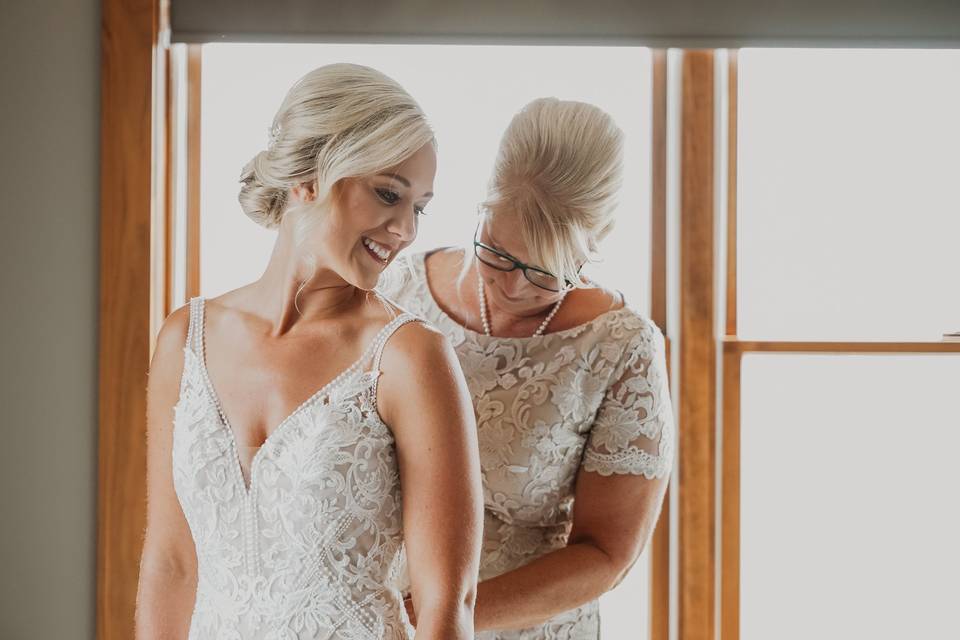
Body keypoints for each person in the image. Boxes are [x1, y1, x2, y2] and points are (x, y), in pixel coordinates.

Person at [135, 63, 483, 640]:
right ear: (309, 176)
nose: (404, 230)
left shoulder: (407, 358)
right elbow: (170, 564)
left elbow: (447, 601)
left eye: (418, 207)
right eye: (389, 194)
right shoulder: (185, 339)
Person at [387, 97, 674, 639]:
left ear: (596, 244)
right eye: (498, 252)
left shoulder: (622, 347)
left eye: (549, 272)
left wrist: (437, 619)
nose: (515, 287)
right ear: (482, 206)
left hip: (518, 626)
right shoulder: (393, 292)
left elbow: (607, 553)